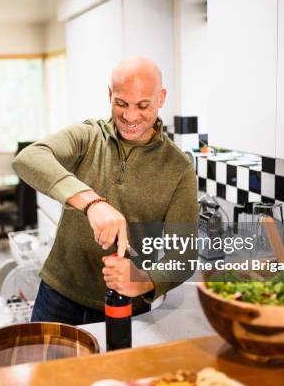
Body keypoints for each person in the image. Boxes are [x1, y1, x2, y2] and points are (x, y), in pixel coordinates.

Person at [12, 56, 198, 325]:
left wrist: (144, 281)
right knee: (48, 368)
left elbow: (184, 255)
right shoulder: (89, 136)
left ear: (162, 98)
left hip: (126, 306)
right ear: (110, 95)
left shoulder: (178, 167)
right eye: (121, 103)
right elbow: (29, 158)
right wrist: (92, 203)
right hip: (58, 295)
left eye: (143, 105)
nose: (130, 116)